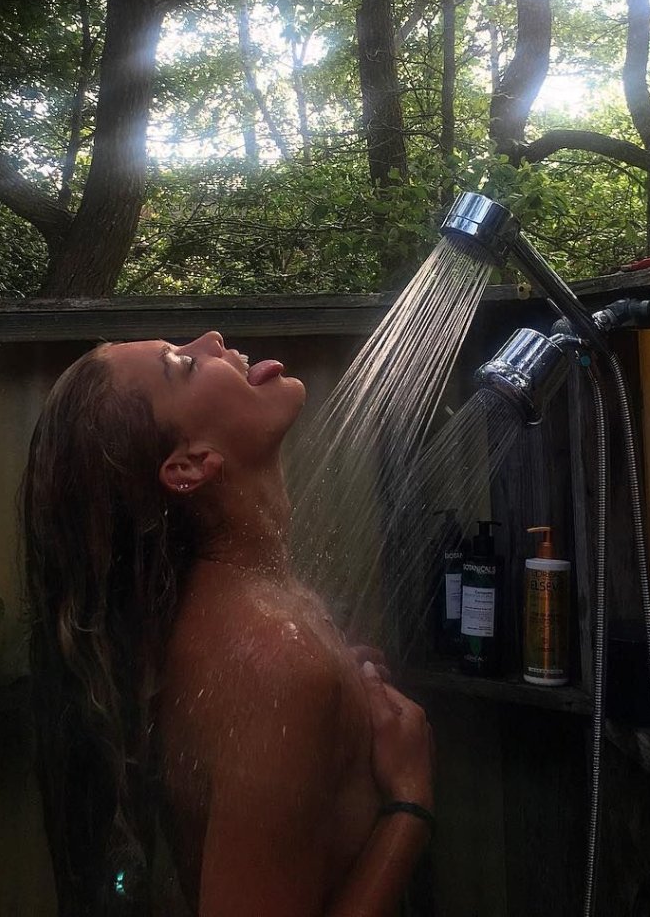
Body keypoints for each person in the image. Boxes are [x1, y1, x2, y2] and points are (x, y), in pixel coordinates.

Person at [22, 330, 434, 916]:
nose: (213, 339)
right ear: (189, 464)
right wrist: (409, 805)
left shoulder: (240, 618)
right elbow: (271, 681)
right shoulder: (277, 663)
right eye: (183, 364)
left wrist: (333, 696)